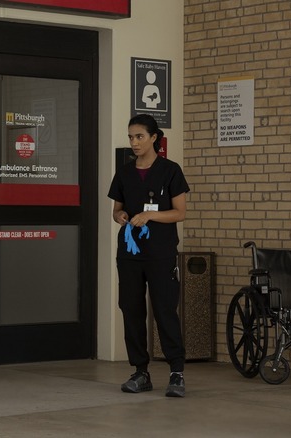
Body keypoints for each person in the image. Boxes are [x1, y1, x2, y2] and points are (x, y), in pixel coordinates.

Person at [107, 114, 190, 398]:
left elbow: (180, 212)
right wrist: (121, 215)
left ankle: (176, 372)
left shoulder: (170, 170)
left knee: (165, 310)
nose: (134, 142)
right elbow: (116, 209)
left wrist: (151, 215)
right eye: (131, 137)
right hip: (130, 254)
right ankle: (140, 372)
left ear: (155, 138)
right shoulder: (125, 172)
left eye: (139, 136)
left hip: (160, 253)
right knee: (131, 310)